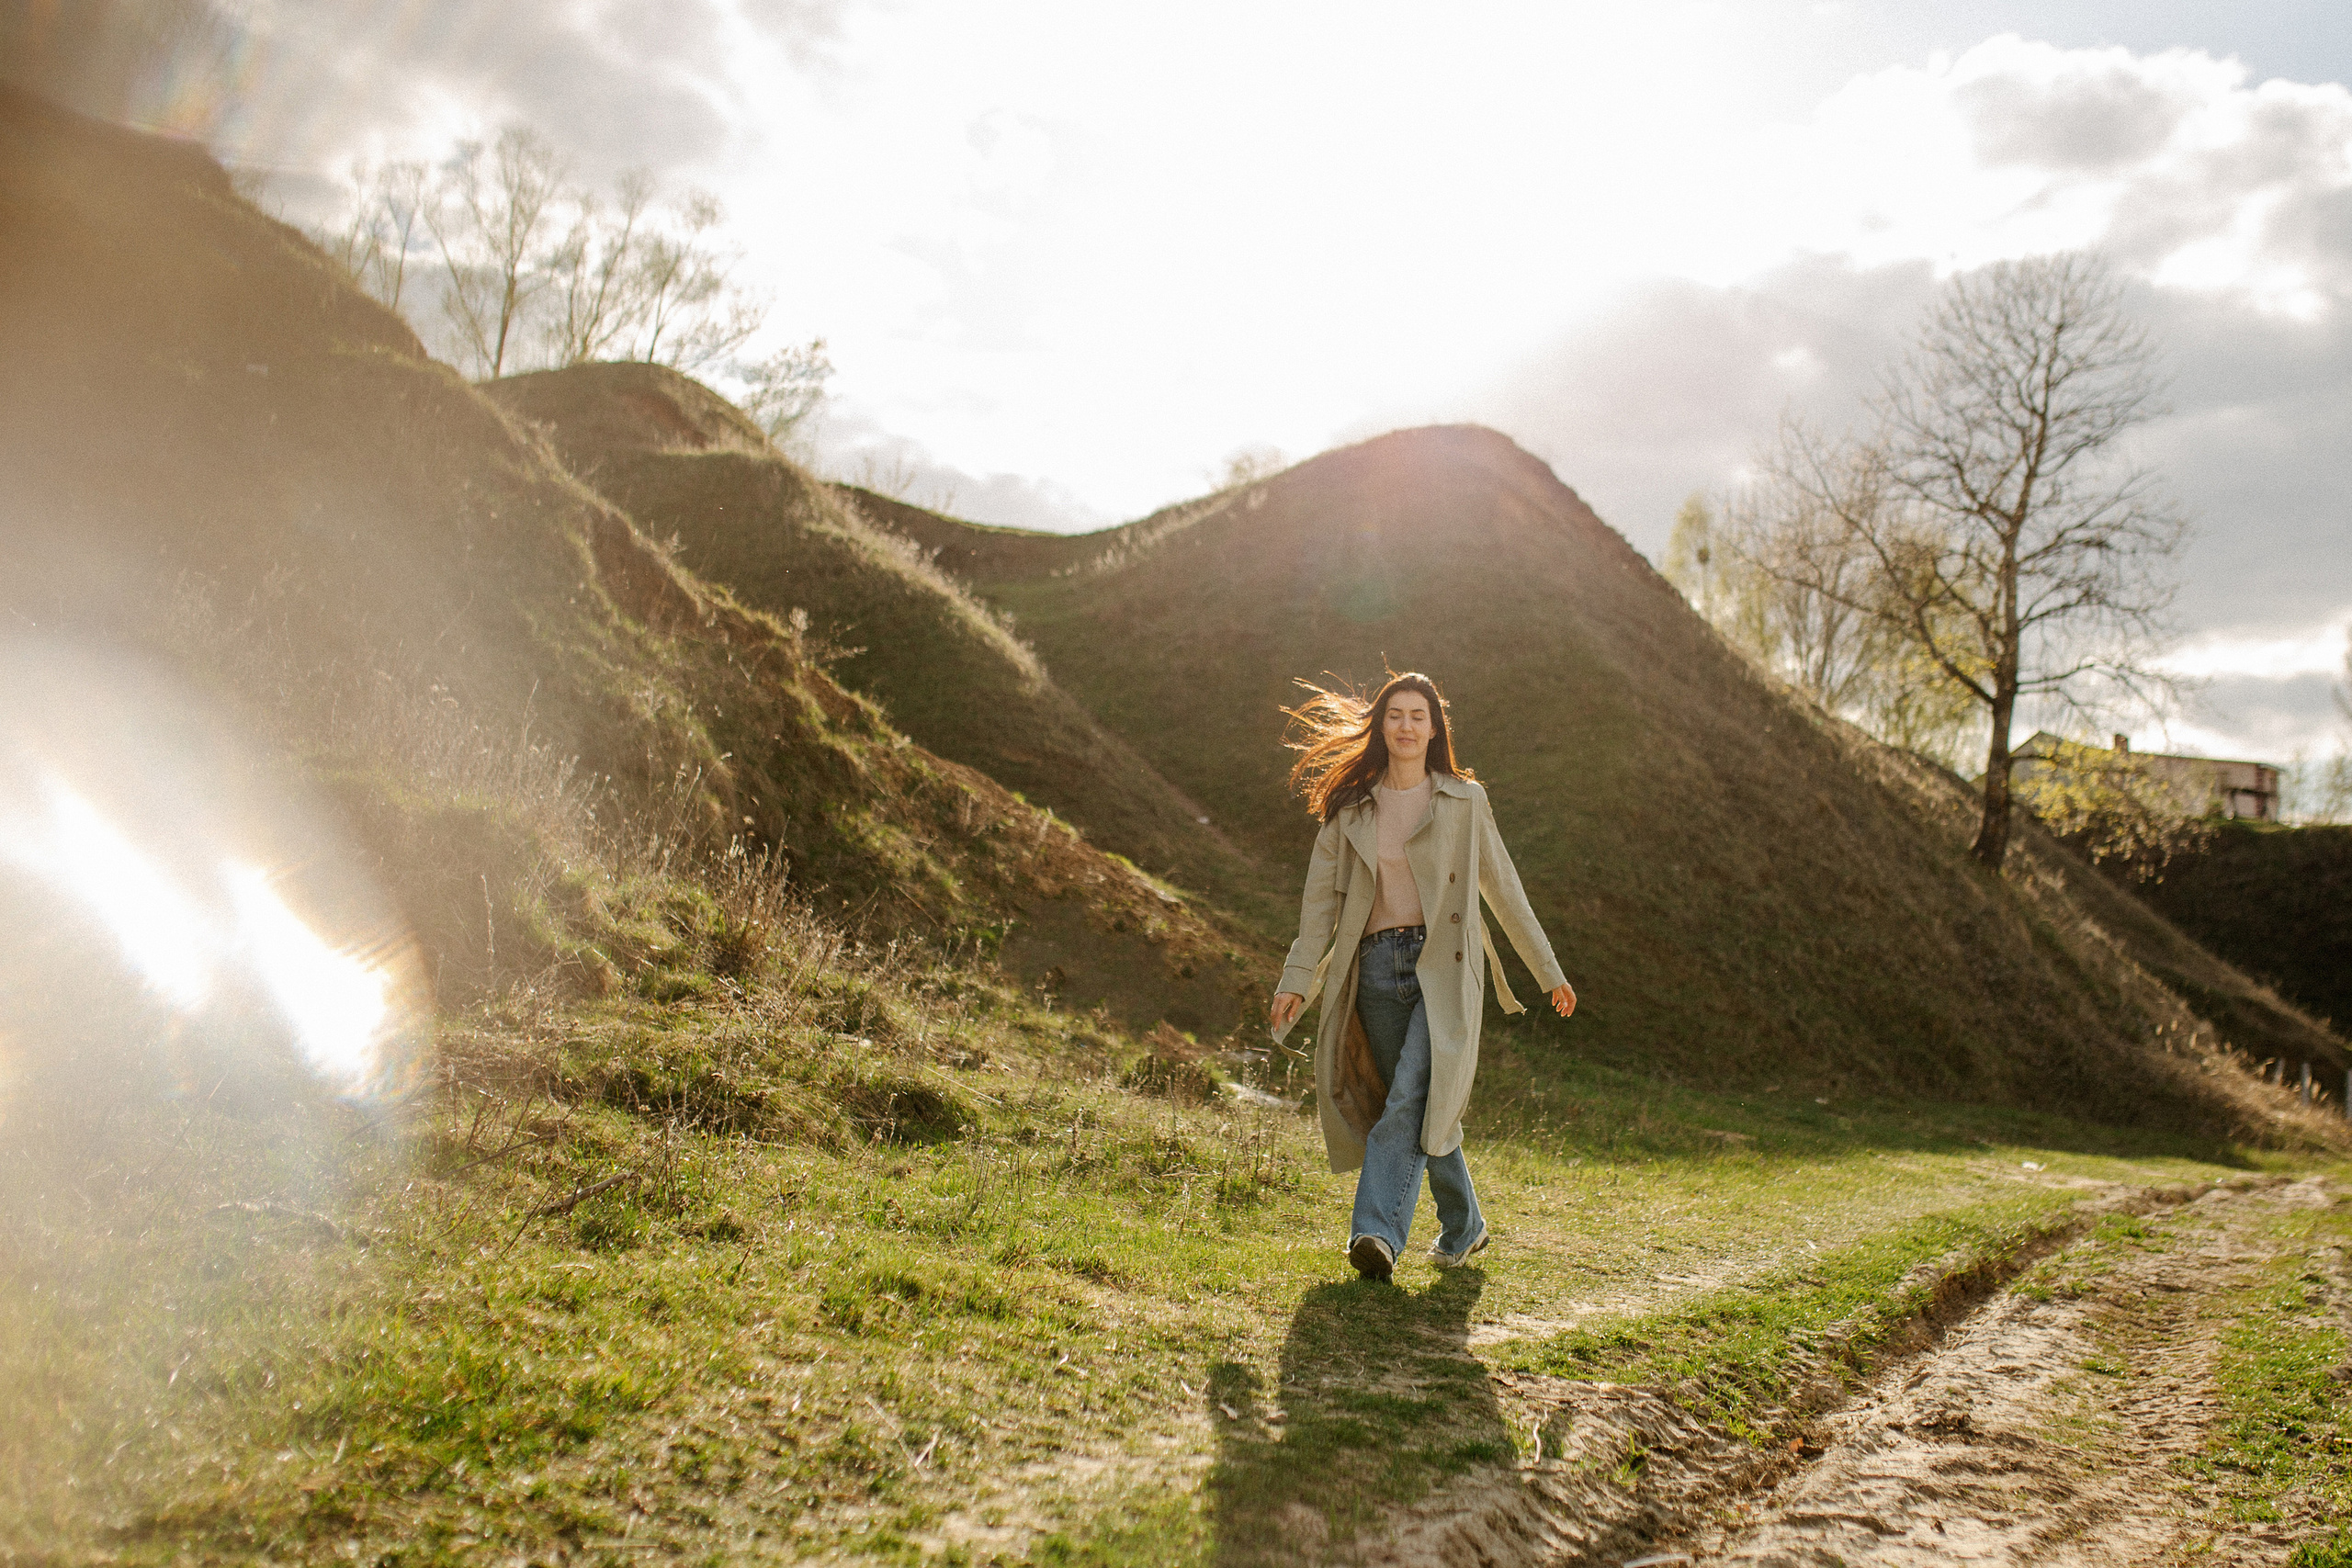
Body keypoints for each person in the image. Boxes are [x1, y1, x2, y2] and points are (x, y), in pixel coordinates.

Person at [1269, 671, 1574, 1283]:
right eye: (1395, 714)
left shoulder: (1465, 800)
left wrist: (1549, 972)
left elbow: (1504, 890)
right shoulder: (1349, 809)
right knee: (1414, 1103)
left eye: (1418, 715)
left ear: (1435, 728)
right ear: (1381, 726)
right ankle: (1465, 1224)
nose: (1406, 725)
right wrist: (1296, 977)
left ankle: (1376, 1234)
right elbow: (1317, 907)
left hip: (1445, 970)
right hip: (1375, 970)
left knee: (1408, 1100)